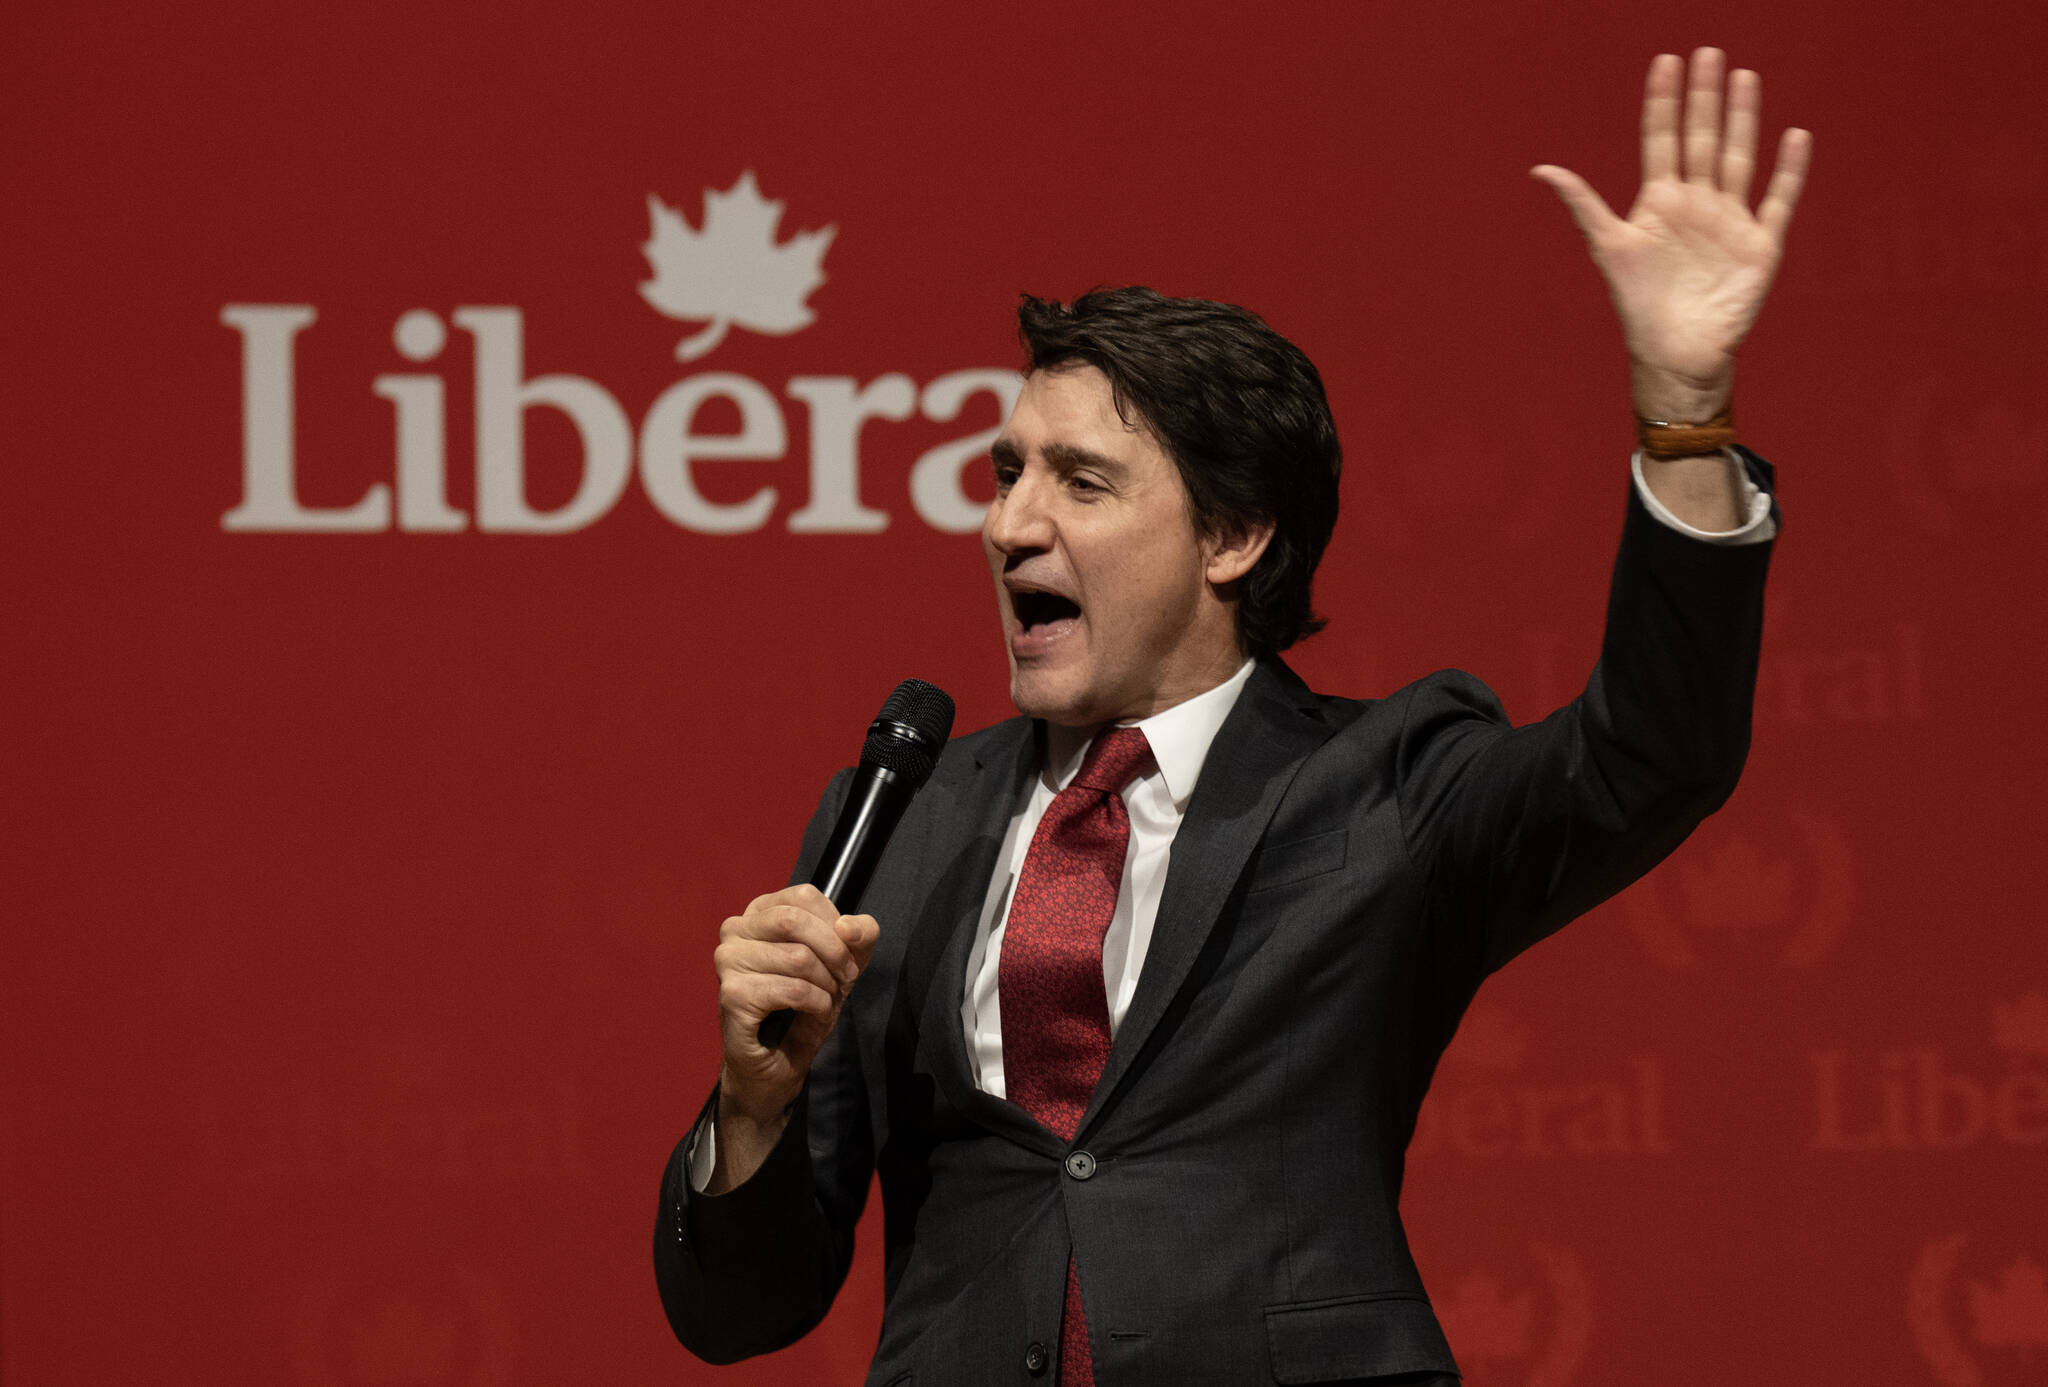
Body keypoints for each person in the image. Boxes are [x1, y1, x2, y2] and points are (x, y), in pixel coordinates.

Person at [656, 47, 1811, 1385]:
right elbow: (737, 1314)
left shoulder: (1387, 785)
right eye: (1006, 473)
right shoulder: (899, 824)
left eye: (1081, 483)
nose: (1009, 522)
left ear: (1236, 533)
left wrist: (1684, 419)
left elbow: (1654, 751)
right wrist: (753, 1109)